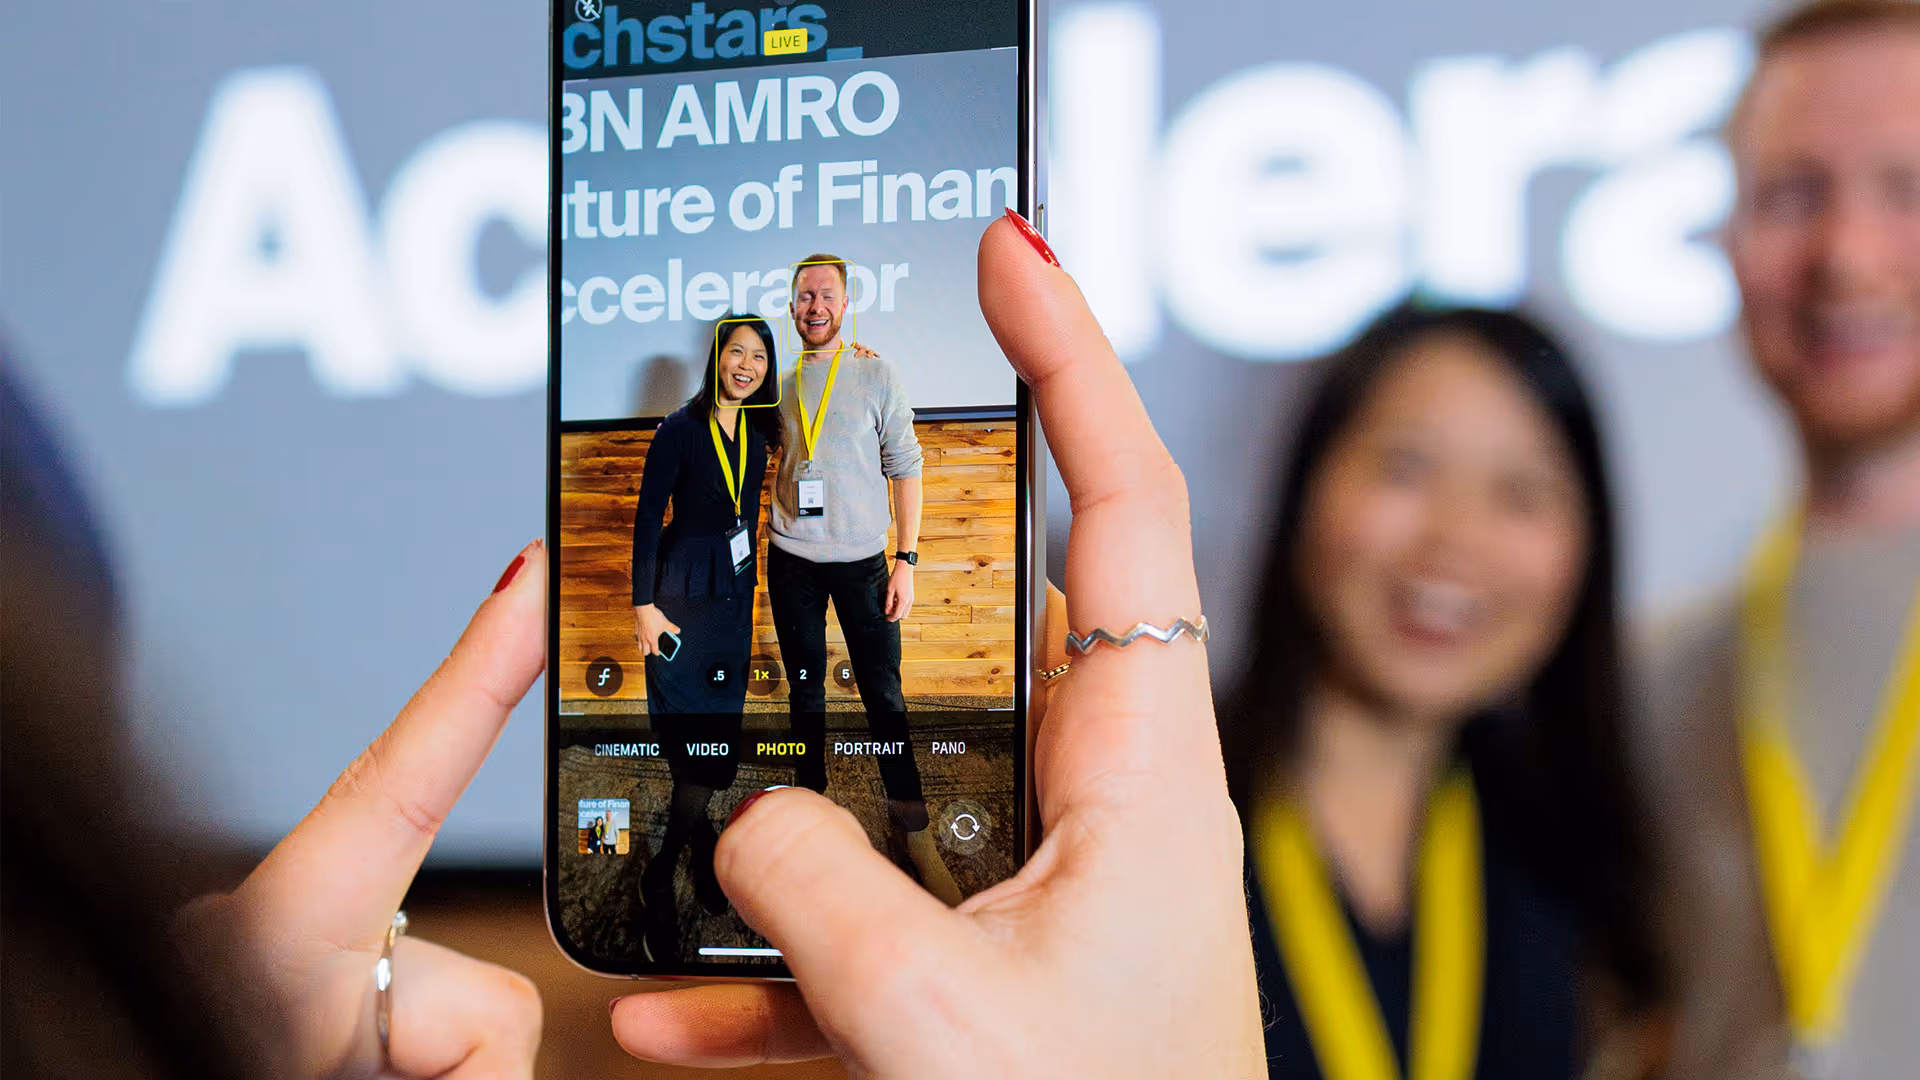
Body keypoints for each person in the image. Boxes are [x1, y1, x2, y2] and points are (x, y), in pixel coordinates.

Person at [4, 211, 1268, 1078]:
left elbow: (892, 471)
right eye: (764, 326)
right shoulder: (692, 434)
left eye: (788, 324)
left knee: (850, 728)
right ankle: (695, 858)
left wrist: (908, 559)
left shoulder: (850, 390)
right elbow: (669, 522)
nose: (773, 339)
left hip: (825, 584)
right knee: (706, 778)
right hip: (723, 612)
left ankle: (894, 824)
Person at [1216, 305, 1667, 1078]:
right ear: (1307, 489)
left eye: (1521, 494)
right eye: (1406, 469)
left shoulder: (1588, 869)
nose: (1455, 538)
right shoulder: (1151, 817)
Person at [1639, 3, 1920, 1077]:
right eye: (1793, 195)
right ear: (1727, 241)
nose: (1846, 256)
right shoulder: (1642, 683)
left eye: (1907, 187)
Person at [765, 253, 962, 904]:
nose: (813, 305)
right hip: (791, 558)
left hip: (861, 564)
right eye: (802, 296)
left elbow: (906, 467)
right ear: (792, 307)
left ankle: (913, 827)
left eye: (824, 294)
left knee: (884, 696)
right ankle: (811, 811)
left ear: (844, 304)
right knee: (805, 693)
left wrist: (906, 559)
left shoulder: (877, 373)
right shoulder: (778, 382)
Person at [630, 314, 783, 961]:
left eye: (759, 357)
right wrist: (643, 607)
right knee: (689, 733)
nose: (747, 365)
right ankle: (660, 872)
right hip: (677, 601)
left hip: (731, 601)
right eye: (737, 352)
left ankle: (694, 836)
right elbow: (645, 518)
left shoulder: (757, 431)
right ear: (717, 358)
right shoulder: (678, 430)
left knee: (715, 735)